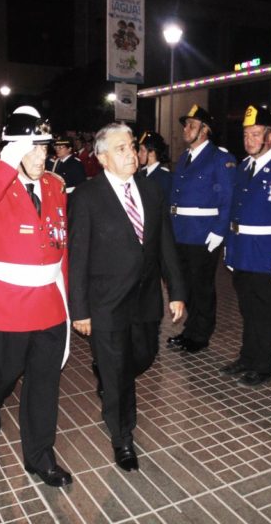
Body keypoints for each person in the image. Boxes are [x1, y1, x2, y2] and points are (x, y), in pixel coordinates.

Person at [0, 106, 72, 488]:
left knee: (44, 385)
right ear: (13, 149)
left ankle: (40, 457)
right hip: (4, 309)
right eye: (32, 148)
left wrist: (70, 300)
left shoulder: (56, 187)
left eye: (45, 148)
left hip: (48, 306)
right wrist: (4, 167)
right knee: (0, 377)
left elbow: (63, 247)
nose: (42, 157)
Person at [68, 122, 185, 472]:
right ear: (103, 158)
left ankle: (108, 374)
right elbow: (78, 257)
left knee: (144, 358)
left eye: (132, 146)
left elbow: (166, 244)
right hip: (106, 304)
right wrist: (80, 310)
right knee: (119, 377)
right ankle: (122, 437)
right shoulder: (86, 197)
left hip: (146, 300)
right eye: (121, 149)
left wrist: (176, 292)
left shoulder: (151, 191)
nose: (131, 153)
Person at [221, 105, 271, 386]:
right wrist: (229, 247)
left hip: (267, 255)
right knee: (247, 309)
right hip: (243, 251)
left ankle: (263, 364)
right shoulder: (244, 167)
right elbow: (235, 211)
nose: (249, 140)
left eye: (255, 134)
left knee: (265, 312)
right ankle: (247, 356)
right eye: (246, 134)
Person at [167, 104, 237, 353]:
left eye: (192, 125)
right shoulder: (185, 157)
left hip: (203, 232)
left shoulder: (221, 159)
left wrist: (219, 231)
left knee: (202, 286)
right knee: (186, 284)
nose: (186, 129)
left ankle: (200, 334)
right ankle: (190, 329)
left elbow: (228, 198)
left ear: (205, 130)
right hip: (182, 231)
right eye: (186, 125)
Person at [137, 130, 172, 202]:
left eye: (142, 150)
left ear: (152, 153)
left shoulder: (164, 177)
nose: (138, 154)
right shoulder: (141, 174)